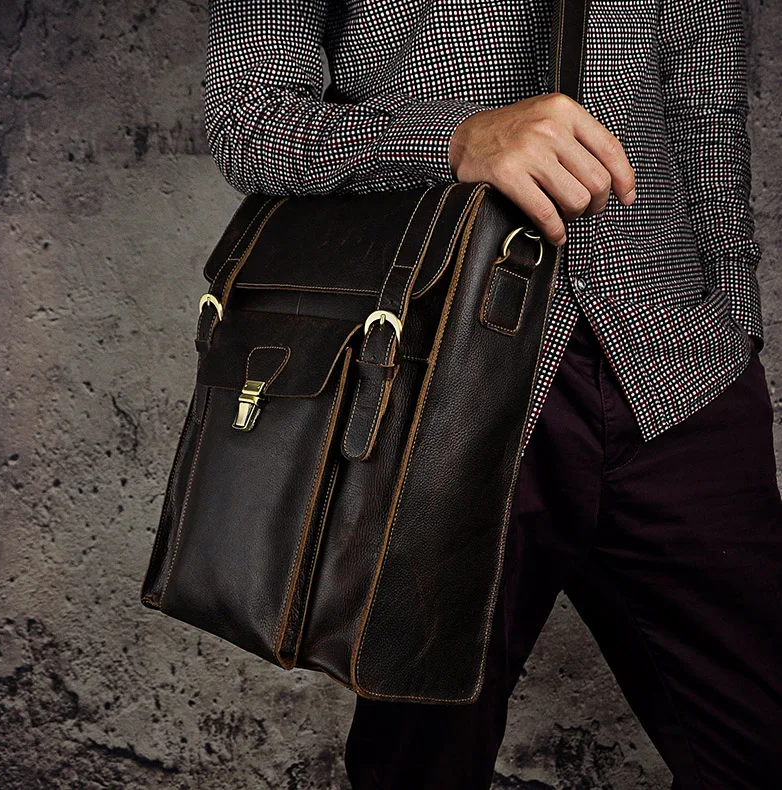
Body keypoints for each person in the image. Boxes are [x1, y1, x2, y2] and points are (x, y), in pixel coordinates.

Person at [203, 0, 782, 787]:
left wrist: (734, 319)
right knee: (421, 765)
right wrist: (453, 139)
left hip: (679, 367)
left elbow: (704, 107)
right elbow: (246, 117)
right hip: (439, 374)